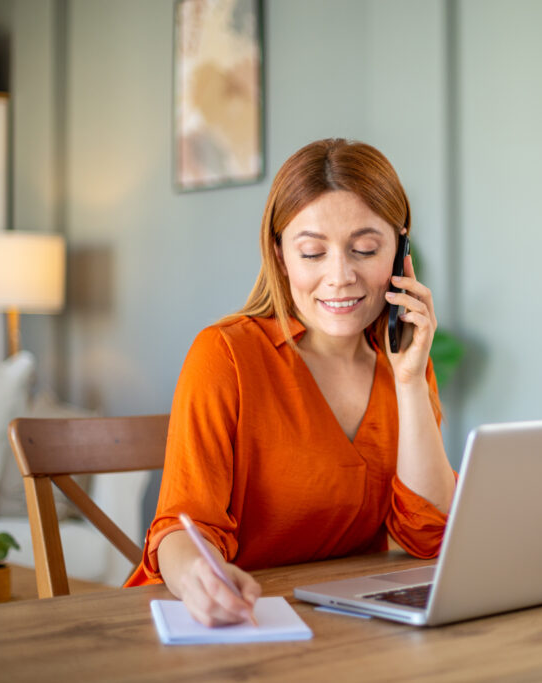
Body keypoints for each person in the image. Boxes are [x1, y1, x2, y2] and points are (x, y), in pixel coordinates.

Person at [124, 139, 457, 626]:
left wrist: (408, 382)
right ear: (280, 255)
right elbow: (180, 527)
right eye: (312, 252)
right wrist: (203, 575)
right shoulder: (225, 355)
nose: (340, 275)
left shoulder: (404, 360)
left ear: (401, 250)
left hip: (341, 626)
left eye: (365, 248)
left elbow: (429, 537)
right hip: (228, 623)